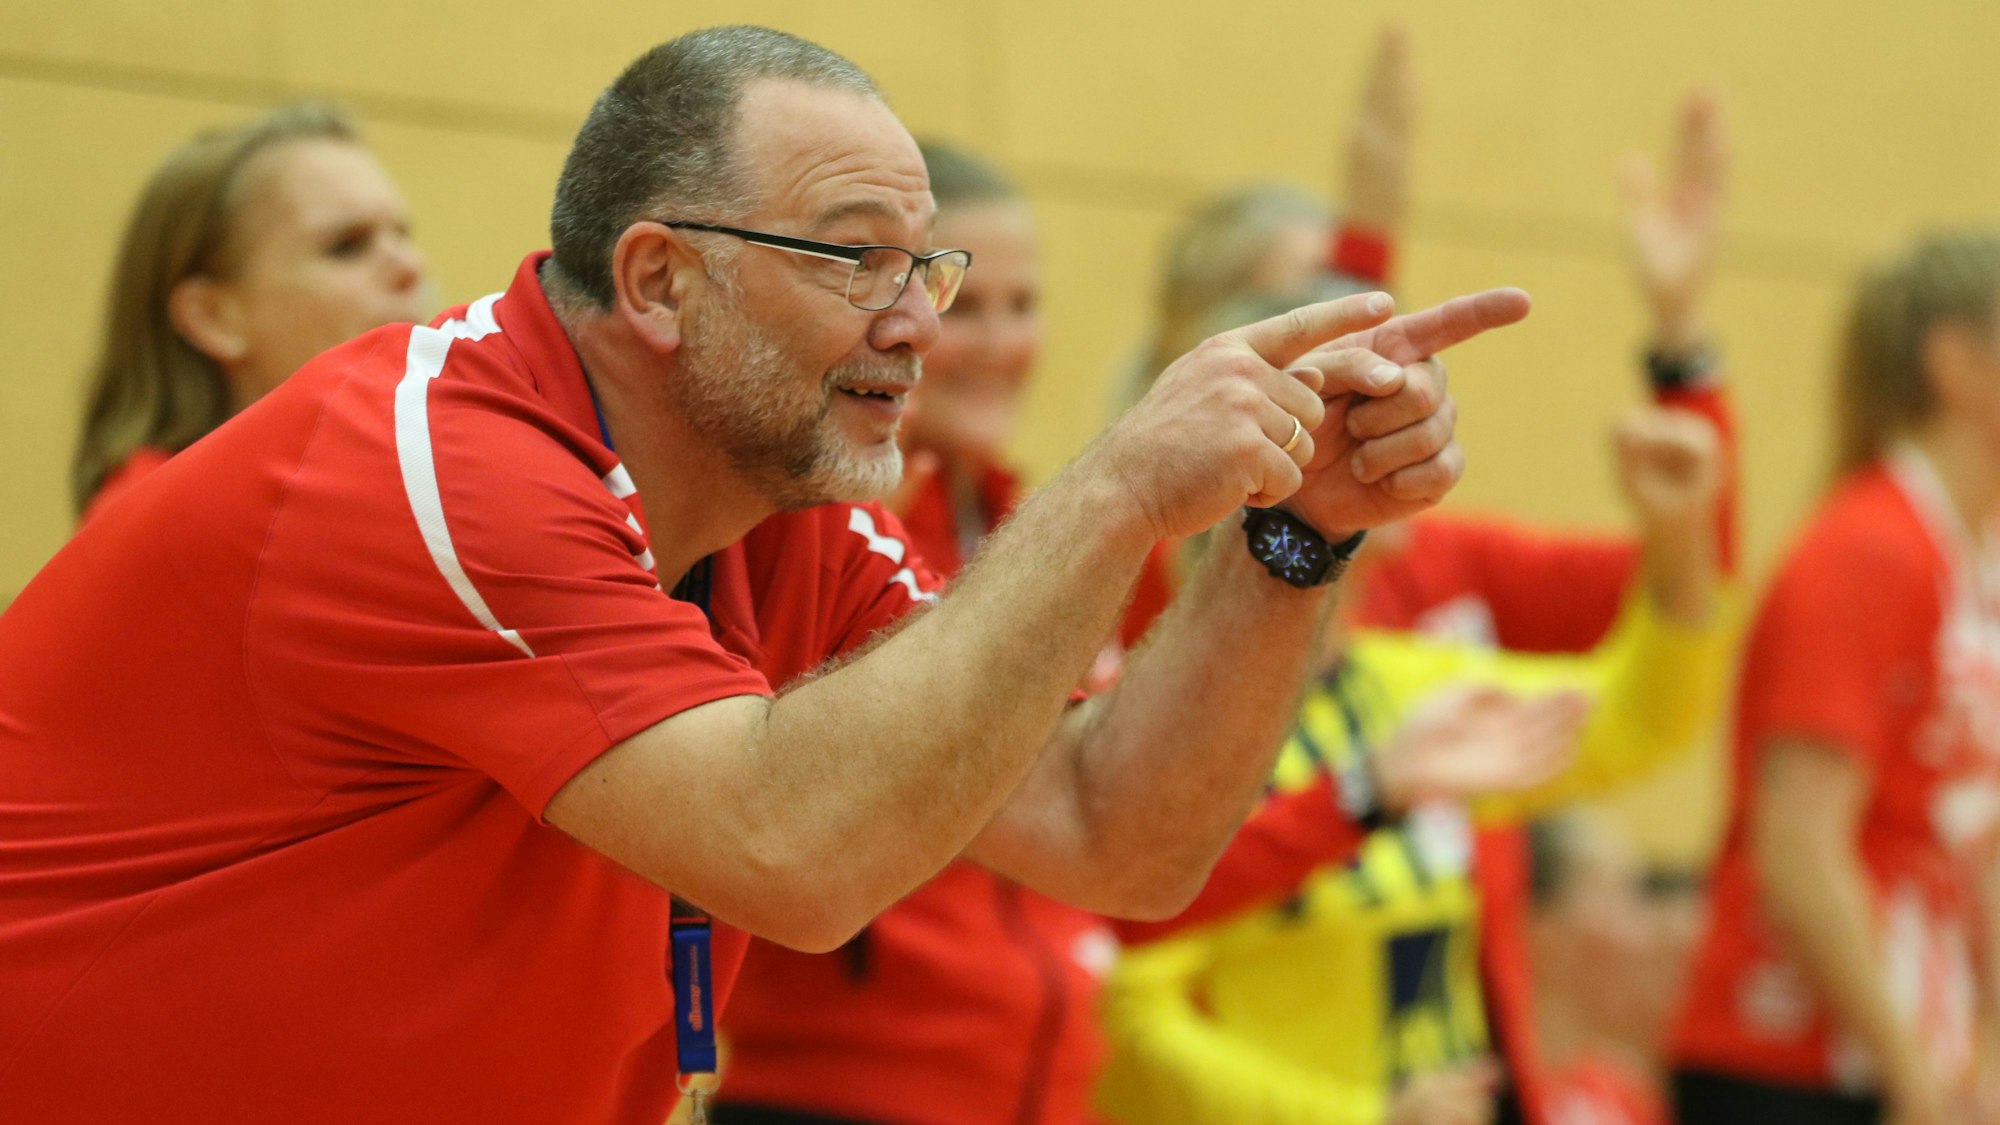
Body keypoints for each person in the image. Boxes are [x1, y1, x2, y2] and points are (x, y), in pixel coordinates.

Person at [0, 26, 1524, 1125]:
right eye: (852, 257)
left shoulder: (778, 495)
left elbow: (1115, 833)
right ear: (662, 279)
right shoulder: (436, 465)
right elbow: (794, 850)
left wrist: (1292, 539)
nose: (918, 319)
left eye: (923, 268)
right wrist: (1123, 484)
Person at [711, 140, 1576, 1125]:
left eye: (1020, 305)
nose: (994, 342)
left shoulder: (1038, 535)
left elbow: (1122, 855)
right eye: (961, 301)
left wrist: (1354, 787)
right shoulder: (810, 534)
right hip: (841, 1098)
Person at [1094, 400, 1733, 1125]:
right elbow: (1121, 1018)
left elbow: (1637, 720)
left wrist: (1682, 541)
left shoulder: (1401, 686)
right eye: (1362, 437)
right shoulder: (1182, 725)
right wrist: (1366, 1117)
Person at [1668, 230, 2000, 1125]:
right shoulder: (1870, 550)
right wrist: (1912, 1076)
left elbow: (1976, 841)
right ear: (1958, 364)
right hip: (1788, 1064)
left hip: (1905, 1056)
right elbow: (1801, 847)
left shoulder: (1973, 565)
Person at [71, 101, 430, 521]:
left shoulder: (411, 480)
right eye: (347, 246)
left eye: (402, 236)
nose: (410, 267)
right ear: (214, 317)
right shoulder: (159, 519)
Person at [1525, 809, 1689, 1125]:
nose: (1646, 938)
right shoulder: (1472, 1093)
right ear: (1540, 929)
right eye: (1624, 899)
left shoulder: (1623, 1091)